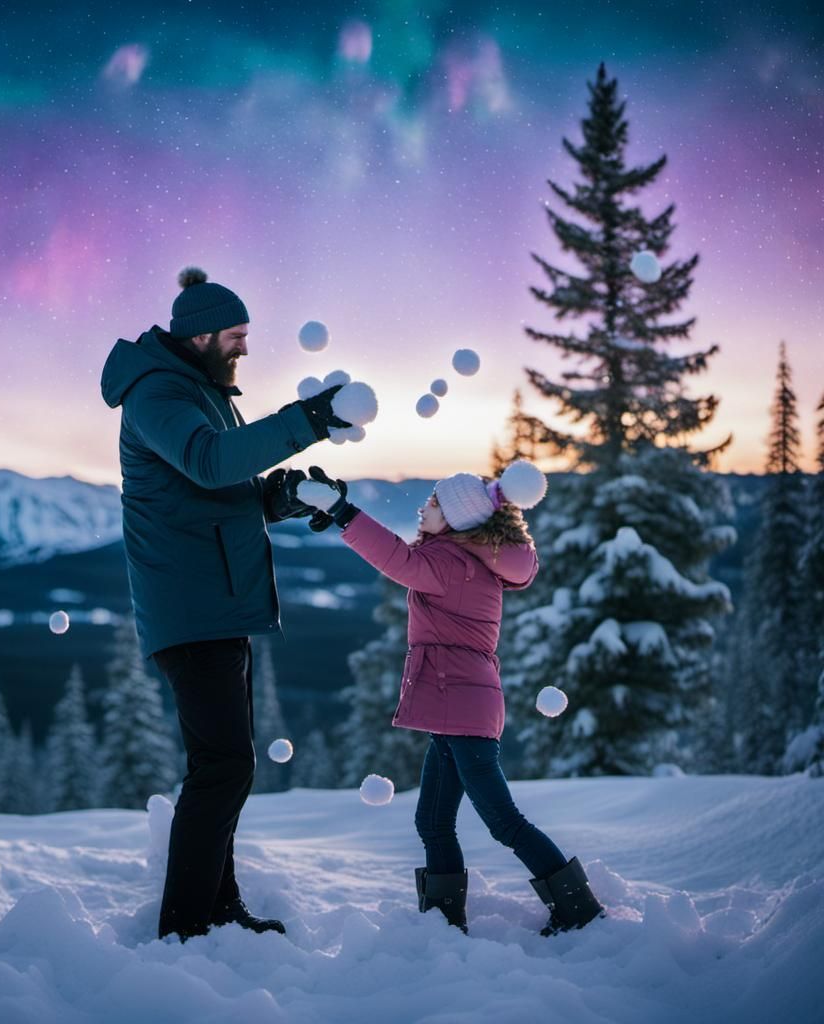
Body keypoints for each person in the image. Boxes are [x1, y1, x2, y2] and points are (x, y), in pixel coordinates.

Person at [100, 267, 347, 942]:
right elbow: (210, 463)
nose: (244, 348)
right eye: (236, 336)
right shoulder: (156, 395)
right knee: (225, 767)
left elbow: (230, 489)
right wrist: (310, 420)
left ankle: (216, 906)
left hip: (219, 604)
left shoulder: (203, 392)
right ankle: (183, 925)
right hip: (189, 606)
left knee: (227, 768)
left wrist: (292, 495)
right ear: (201, 335)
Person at [306, 462, 604, 936]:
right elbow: (405, 556)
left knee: (503, 822)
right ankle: (443, 924)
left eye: (436, 502)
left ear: (458, 519)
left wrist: (344, 512)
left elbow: (396, 561)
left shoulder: (451, 564)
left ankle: (579, 912)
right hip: (456, 707)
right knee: (433, 819)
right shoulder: (462, 558)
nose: (425, 506)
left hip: (462, 708)